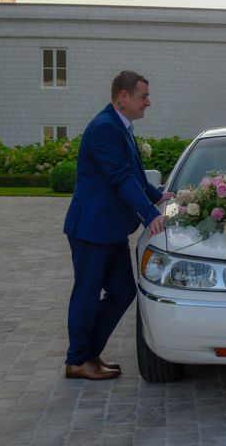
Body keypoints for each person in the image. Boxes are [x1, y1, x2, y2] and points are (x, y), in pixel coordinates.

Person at [63, 70, 174, 380]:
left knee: (123, 291)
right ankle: (77, 359)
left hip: (110, 231)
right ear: (123, 97)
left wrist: (159, 195)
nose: (148, 102)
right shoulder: (104, 128)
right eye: (143, 96)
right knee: (86, 293)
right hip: (91, 229)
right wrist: (150, 215)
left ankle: (87, 354)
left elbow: (134, 175)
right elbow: (120, 178)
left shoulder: (120, 126)